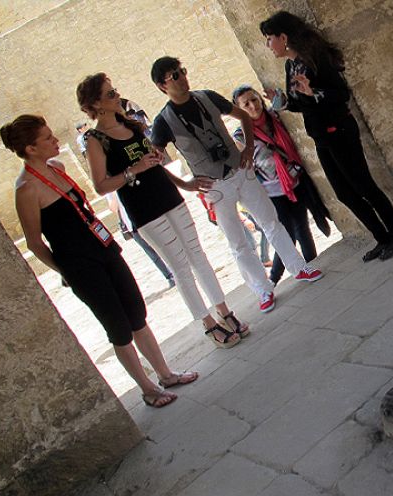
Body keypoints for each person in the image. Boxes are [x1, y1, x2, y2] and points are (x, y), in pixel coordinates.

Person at [4, 114, 197, 408]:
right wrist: (64, 270)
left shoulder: (57, 167)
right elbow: (34, 242)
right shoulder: (26, 189)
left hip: (103, 247)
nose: (55, 140)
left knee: (136, 312)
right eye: (47, 138)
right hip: (80, 265)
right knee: (118, 327)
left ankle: (165, 374)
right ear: (30, 148)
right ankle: (147, 389)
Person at [77, 73, 247, 348]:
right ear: (96, 104)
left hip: (169, 196)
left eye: (115, 90)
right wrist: (133, 170)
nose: (117, 96)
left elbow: (154, 163)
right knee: (180, 266)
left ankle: (224, 310)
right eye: (110, 94)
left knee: (198, 255)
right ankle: (208, 324)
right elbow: (101, 185)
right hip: (145, 210)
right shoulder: (96, 139)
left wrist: (184, 184)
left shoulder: (130, 124)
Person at [148, 56, 324, 313]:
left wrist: (249, 148)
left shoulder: (206, 96)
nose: (182, 77)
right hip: (214, 186)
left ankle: (299, 268)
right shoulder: (164, 121)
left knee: (271, 222)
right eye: (174, 76)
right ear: (162, 85)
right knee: (238, 242)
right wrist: (185, 184)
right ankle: (262, 289)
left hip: (240, 171)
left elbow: (241, 115)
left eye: (182, 71)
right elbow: (154, 159)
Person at [260, 11, 393, 262]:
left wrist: (313, 92)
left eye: (269, 38)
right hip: (321, 136)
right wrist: (283, 101)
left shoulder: (315, 57)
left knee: (364, 186)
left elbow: (341, 94)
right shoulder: (290, 65)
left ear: (283, 38)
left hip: (339, 130)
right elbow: (301, 104)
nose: (268, 45)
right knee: (344, 194)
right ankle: (382, 238)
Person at [232, 84, 331, 285]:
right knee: (285, 233)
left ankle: (311, 264)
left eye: (254, 100)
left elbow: (282, 105)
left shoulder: (274, 117)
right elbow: (244, 167)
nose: (252, 106)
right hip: (271, 191)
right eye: (246, 104)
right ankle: (275, 277)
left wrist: (277, 96)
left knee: (302, 227)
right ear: (239, 110)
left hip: (295, 180)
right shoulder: (240, 136)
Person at [105, 191, 176, 289]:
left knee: (162, 243)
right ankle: (169, 276)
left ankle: (176, 267)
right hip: (131, 223)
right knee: (150, 252)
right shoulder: (109, 191)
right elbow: (113, 208)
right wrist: (114, 192)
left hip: (144, 215)